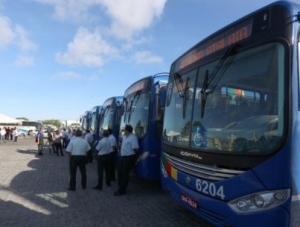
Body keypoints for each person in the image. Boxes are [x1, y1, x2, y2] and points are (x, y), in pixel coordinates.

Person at [114, 125, 139, 196]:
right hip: (123, 157)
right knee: (119, 172)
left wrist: (133, 154)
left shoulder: (133, 137)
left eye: (124, 130)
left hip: (128, 157)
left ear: (127, 130)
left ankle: (122, 190)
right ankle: (120, 187)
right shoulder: (124, 137)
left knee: (125, 174)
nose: (123, 131)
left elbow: (136, 148)